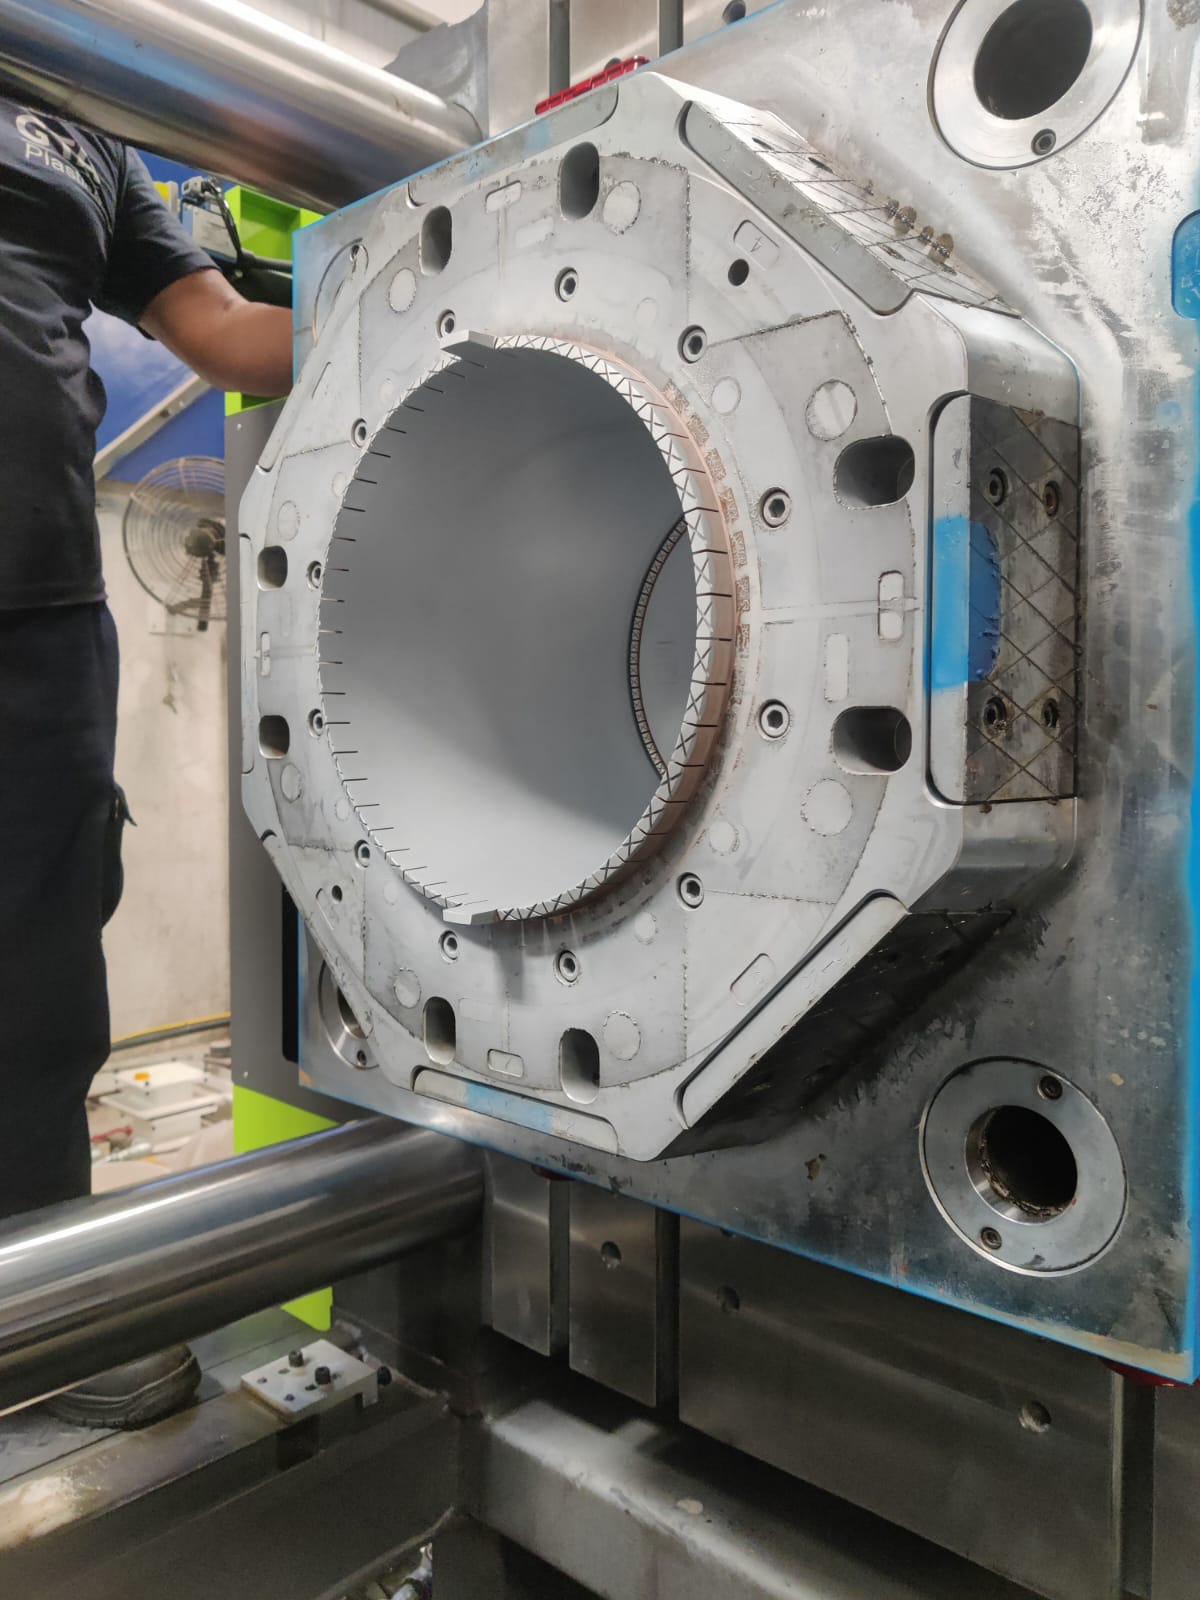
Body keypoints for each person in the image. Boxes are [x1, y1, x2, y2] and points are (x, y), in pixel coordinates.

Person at [0, 96, 294, 1427]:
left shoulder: (83, 114)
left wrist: (437, 278)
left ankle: (32, 1318)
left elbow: (222, 332)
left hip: (38, 610)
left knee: (40, 982)